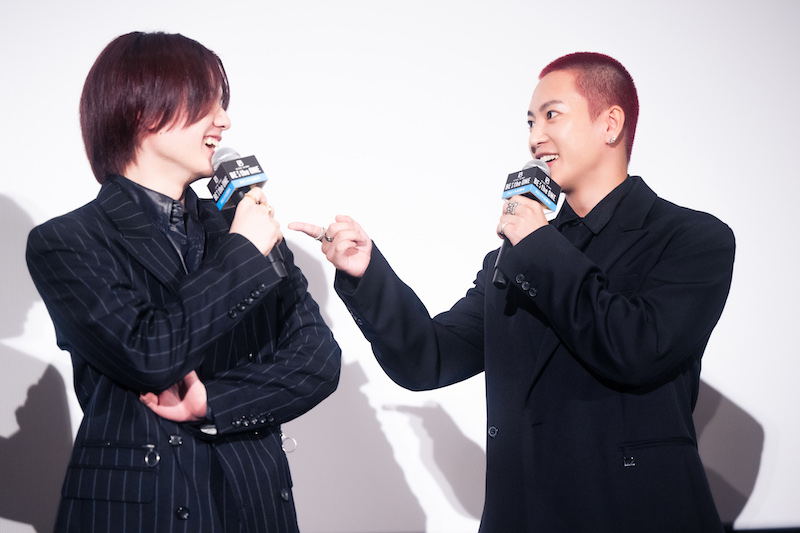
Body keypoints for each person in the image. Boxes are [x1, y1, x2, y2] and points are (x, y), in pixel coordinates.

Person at [290, 52, 734, 532]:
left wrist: (539, 244)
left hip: (635, 513)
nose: (535, 137)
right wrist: (367, 273)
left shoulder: (691, 238)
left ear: (610, 124)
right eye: (529, 122)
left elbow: (636, 348)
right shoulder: (516, 256)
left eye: (551, 115)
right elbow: (428, 359)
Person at [26, 31, 341, 532]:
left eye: (223, 103)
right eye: (206, 101)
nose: (225, 120)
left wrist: (213, 403)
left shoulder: (243, 223)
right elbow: (148, 353)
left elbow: (318, 360)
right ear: (143, 110)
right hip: (140, 510)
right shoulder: (66, 240)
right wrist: (242, 255)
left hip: (254, 504)